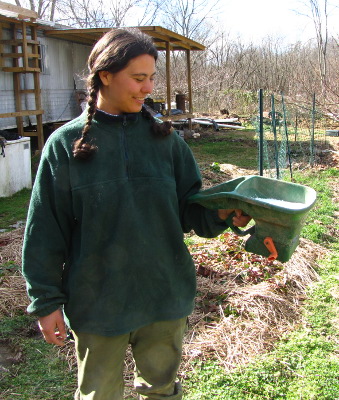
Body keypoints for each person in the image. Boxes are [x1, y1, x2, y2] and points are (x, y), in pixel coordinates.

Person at [22, 28, 250, 400]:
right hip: (98, 303)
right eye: (139, 78)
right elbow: (45, 231)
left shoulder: (167, 142)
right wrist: (46, 302)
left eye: (152, 78)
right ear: (105, 76)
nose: (148, 88)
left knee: (161, 391)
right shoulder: (65, 146)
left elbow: (191, 211)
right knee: (99, 395)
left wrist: (225, 212)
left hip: (163, 296)